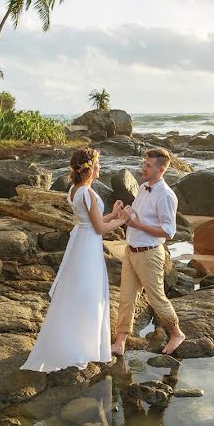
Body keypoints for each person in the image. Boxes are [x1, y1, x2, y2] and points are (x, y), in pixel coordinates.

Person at [21, 148, 131, 372]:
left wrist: (113, 213)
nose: (100, 167)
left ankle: (79, 343)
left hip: (82, 241)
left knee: (80, 292)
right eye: (98, 164)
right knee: (88, 294)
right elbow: (99, 228)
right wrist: (123, 221)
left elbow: (92, 220)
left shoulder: (75, 190)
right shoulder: (87, 193)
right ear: (90, 168)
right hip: (88, 246)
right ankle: (81, 348)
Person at [111, 148, 186, 356]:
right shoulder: (143, 187)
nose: (143, 168)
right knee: (126, 297)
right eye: (144, 164)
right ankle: (120, 343)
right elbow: (136, 217)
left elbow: (169, 231)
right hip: (131, 250)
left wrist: (139, 224)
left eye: (148, 165)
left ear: (161, 169)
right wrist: (122, 213)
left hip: (149, 253)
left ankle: (176, 333)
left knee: (155, 298)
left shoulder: (167, 196)